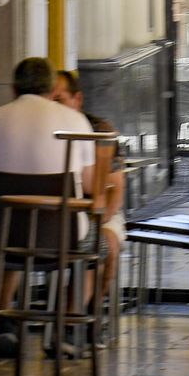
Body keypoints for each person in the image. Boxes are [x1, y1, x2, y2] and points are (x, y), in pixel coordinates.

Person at [0, 57, 98, 355]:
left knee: (11, 236)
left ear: (13, 88)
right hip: (63, 236)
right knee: (99, 245)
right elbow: (89, 185)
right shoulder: (75, 121)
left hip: (1, 234)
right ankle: (68, 326)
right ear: (52, 89)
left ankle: (0, 322)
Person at [52, 70, 124, 311]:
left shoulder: (100, 130)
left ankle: (88, 312)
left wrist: (99, 220)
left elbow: (116, 190)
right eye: (49, 100)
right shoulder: (43, 132)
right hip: (56, 216)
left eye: (59, 100)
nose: (53, 107)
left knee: (106, 243)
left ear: (78, 99)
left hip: (100, 213)